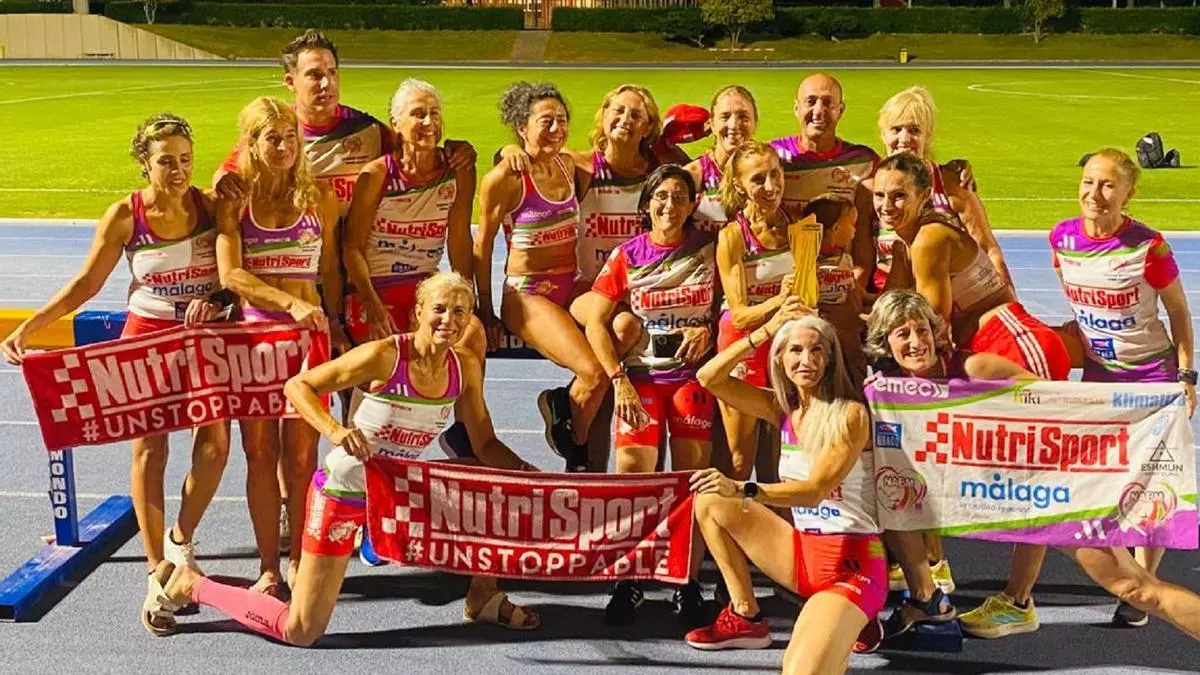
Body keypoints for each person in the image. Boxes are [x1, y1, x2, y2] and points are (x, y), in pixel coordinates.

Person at [148, 272, 541, 641]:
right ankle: (191, 585)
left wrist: (528, 474)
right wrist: (335, 430)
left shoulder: (464, 366)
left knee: (487, 484)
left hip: (397, 491)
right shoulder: (385, 355)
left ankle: (483, 593)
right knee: (301, 630)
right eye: (439, 309)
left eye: (459, 311)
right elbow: (298, 386)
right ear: (419, 311)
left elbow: (485, 444)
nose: (449, 320)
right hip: (344, 492)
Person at [0, 113, 230, 634]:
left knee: (216, 445)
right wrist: (33, 326)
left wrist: (219, 298)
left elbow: (239, 271)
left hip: (205, 339)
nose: (178, 171)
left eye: (186, 159)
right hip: (146, 338)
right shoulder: (126, 216)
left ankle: (180, 538)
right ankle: (157, 570)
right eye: (166, 161)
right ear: (145, 164)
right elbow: (87, 282)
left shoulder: (212, 208)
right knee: (150, 449)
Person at [865, 289, 1200, 644]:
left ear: (936, 333)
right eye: (903, 334)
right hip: (1001, 492)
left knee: (1135, 589)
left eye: (922, 330)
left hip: (1055, 491)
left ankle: (1009, 598)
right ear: (886, 343)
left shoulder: (975, 369)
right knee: (890, 496)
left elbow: (1056, 403)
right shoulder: (892, 393)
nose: (917, 342)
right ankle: (926, 597)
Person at [959, 148, 1198, 638]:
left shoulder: (1149, 248)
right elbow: (1081, 305)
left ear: (1129, 193)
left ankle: (1141, 586)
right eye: (1089, 182)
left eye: (1109, 185)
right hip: (1097, 380)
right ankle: (1026, 596)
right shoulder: (1061, 239)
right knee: (1076, 478)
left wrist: (1186, 376)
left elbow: (1178, 312)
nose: (1096, 193)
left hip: (1150, 381)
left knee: (1151, 484)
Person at [870, 152, 1073, 641]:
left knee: (1035, 474)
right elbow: (892, 310)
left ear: (923, 196)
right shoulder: (907, 241)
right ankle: (937, 568)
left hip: (1010, 344)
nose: (887, 205)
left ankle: (1019, 600)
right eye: (879, 195)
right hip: (984, 347)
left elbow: (930, 321)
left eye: (898, 195)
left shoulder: (927, 238)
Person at [686, 306, 887, 675]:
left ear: (830, 359)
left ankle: (852, 616)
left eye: (817, 350)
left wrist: (743, 488)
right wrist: (764, 332)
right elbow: (708, 377)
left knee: (800, 671)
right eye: (795, 350)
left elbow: (814, 491)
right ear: (779, 358)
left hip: (851, 566)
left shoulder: (850, 414)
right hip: (800, 556)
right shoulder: (781, 408)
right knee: (710, 499)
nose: (806, 360)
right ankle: (746, 614)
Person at [501, 83, 666, 472]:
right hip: (582, 291)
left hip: (628, 300)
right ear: (603, 116)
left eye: (636, 115)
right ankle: (582, 460)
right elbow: (532, 158)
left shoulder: (656, 176)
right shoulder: (582, 166)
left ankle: (574, 434)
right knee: (604, 370)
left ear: (648, 127)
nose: (625, 119)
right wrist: (507, 150)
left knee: (613, 360)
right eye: (617, 111)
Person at [215, 96, 343, 594]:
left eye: (292, 137)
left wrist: (336, 323)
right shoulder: (235, 198)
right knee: (260, 454)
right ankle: (268, 566)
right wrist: (286, 303)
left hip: (308, 342)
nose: (285, 146)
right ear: (251, 143)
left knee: (303, 457)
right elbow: (231, 274)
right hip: (255, 341)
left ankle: (300, 560)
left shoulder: (318, 195)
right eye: (273, 138)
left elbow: (330, 268)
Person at [583, 165, 719, 626]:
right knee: (633, 480)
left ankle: (685, 581)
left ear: (693, 203)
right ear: (646, 204)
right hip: (641, 380)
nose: (669, 205)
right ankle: (629, 579)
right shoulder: (627, 255)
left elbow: (731, 305)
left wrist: (707, 329)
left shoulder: (710, 248)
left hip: (690, 380)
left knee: (691, 482)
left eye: (680, 196)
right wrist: (617, 378)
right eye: (661, 196)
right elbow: (595, 322)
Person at [474, 82, 607, 473]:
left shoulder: (570, 164)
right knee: (594, 372)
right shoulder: (506, 179)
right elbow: (482, 247)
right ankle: (577, 455)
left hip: (570, 285)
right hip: (528, 294)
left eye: (562, 121)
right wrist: (485, 309)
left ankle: (562, 408)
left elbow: (625, 153)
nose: (555, 129)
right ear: (522, 127)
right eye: (545, 121)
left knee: (624, 330)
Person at [870, 86, 1012, 296]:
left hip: (948, 295)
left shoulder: (951, 183)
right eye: (896, 129)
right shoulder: (871, 184)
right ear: (883, 134)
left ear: (927, 135)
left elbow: (988, 249)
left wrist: (1007, 296)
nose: (904, 138)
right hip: (888, 297)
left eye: (914, 130)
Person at [713, 141, 795, 482]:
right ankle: (726, 514)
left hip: (785, 344)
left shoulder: (798, 225)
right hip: (743, 345)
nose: (771, 186)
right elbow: (740, 314)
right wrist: (781, 301)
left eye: (775, 174)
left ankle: (774, 515)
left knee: (781, 456)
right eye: (758, 179)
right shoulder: (733, 236)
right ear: (739, 185)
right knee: (739, 459)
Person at [770, 74, 878, 290]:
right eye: (810, 101)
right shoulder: (773, 157)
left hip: (840, 283)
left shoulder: (863, 161)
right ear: (796, 108)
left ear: (841, 110)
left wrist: (852, 290)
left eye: (828, 103)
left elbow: (863, 238)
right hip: (784, 283)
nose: (818, 111)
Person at [802, 194, 867, 384]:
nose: (855, 230)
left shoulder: (845, 259)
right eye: (852, 225)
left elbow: (859, 294)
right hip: (826, 337)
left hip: (852, 337)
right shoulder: (808, 265)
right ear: (836, 229)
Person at [685, 85, 760, 233]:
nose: (734, 125)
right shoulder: (693, 177)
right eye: (725, 117)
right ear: (712, 124)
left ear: (755, 124)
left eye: (743, 117)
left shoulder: (767, 174)